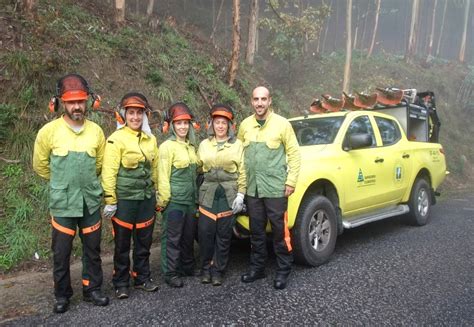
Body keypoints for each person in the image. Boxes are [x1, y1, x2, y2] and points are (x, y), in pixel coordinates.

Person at [33, 73, 109, 313]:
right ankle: (62, 295)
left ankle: (92, 289)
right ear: (60, 103)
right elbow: (40, 165)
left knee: (92, 250)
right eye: (71, 102)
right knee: (61, 253)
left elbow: (100, 164)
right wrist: (61, 184)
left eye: (81, 101)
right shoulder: (49, 132)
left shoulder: (96, 131)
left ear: (89, 101)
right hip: (63, 203)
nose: (77, 106)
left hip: (89, 202)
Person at [238, 86, 301, 290]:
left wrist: (290, 181)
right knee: (256, 231)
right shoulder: (245, 125)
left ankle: (283, 270)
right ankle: (258, 268)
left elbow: (294, 154)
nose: (259, 103)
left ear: (270, 101)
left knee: (279, 231)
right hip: (252, 189)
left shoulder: (282, 124)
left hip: (275, 189)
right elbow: (239, 155)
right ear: (251, 101)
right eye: (256, 99)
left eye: (263, 99)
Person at [101, 93, 159, 299]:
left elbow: (155, 169)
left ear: (144, 115)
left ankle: (142, 277)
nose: (135, 117)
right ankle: (121, 282)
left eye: (139, 113)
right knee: (122, 244)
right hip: (125, 201)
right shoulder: (115, 139)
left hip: (145, 199)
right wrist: (110, 200)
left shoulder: (151, 139)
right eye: (131, 113)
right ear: (124, 115)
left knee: (144, 243)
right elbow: (109, 171)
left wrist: (157, 192)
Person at [197, 104, 246, 286]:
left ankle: (218, 270)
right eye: (217, 122)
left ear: (229, 126)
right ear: (212, 124)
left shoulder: (237, 145)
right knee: (205, 233)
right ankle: (205, 269)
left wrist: (241, 194)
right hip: (208, 192)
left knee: (223, 235)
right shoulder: (203, 145)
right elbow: (197, 168)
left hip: (228, 193)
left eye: (223, 123)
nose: (220, 126)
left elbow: (243, 171)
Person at [157, 102, 199, 288]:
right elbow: (163, 176)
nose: (182, 127)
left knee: (188, 236)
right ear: (172, 125)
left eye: (185, 123)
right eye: (178, 123)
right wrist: (164, 201)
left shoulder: (191, 147)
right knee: (172, 238)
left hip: (190, 201)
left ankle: (187, 267)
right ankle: (171, 272)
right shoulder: (167, 147)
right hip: (174, 202)